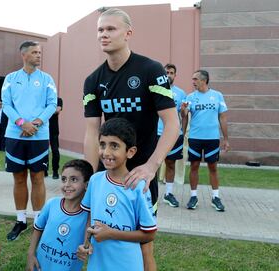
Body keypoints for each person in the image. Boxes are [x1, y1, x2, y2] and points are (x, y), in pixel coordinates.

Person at [82, 8, 179, 271]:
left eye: (110, 29)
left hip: (141, 175)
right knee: (102, 240)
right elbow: (92, 132)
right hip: (108, 174)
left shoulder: (150, 70)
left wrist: (151, 167)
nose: (104, 34)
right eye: (100, 30)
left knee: (145, 248)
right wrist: (90, 176)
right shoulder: (93, 80)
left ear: (128, 33)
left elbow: (172, 124)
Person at [78, 118, 157, 270]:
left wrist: (111, 233)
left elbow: (149, 234)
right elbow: (89, 218)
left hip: (126, 264)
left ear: (130, 152)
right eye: (102, 145)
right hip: (98, 262)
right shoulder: (95, 180)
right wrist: (85, 244)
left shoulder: (138, 187)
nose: (106, 152)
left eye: (114, 146)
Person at [1, 40, 57, 241]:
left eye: (40, 52)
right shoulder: (10, 78)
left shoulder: (47, 79)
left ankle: (39, 222)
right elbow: (6, 105)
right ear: (24, 55)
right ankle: (21, 220)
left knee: (37, 177)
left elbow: (52, 104)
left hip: (39, 136)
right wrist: (22, 123)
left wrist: (36, 123)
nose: (39, 55)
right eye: (35, 52)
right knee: (18, 178)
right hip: (15, 134)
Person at [27, 159, 93, 271]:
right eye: (64, 179)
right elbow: (38, 229)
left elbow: (87, 244)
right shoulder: (51, 204)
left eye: (74, 179)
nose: (67, 184)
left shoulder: (89, 216)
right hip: (40, 266)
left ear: (86, 185)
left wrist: (86, 248)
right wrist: (31, 254)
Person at [182, 70, 229, 212]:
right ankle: (193, 196)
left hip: (212, 139)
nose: (193, 81)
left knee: (213, 167)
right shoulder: (190, 97)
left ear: (204, 80)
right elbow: (184, 117)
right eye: (193, 79)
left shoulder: (217, 95)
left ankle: (216, 197)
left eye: (195, 79)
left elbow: (223, 118)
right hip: (195, 138)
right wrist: (183, 113)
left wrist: (226, 139)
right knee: (194, 166)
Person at [158, 64, 187, 207]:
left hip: (174, 135)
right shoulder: (154, 91)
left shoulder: (181, 93)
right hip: (155, 134)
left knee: (170, 163)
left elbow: (184, 115)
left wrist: (183, 112)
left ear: (175, 75)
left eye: (171, 73)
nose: (168, 75)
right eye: (166, 72)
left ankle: (168, 194)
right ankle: (148, 193)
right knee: (151, 163)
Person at [46, 97, 63, 179]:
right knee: (43, 151)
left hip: (54, 130)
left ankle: (55, 171)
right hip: (43, 130)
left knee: (55, 151)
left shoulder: (58, 100)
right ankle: (44, 170)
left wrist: (45, 111)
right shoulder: (43, 99)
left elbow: (57, 110)